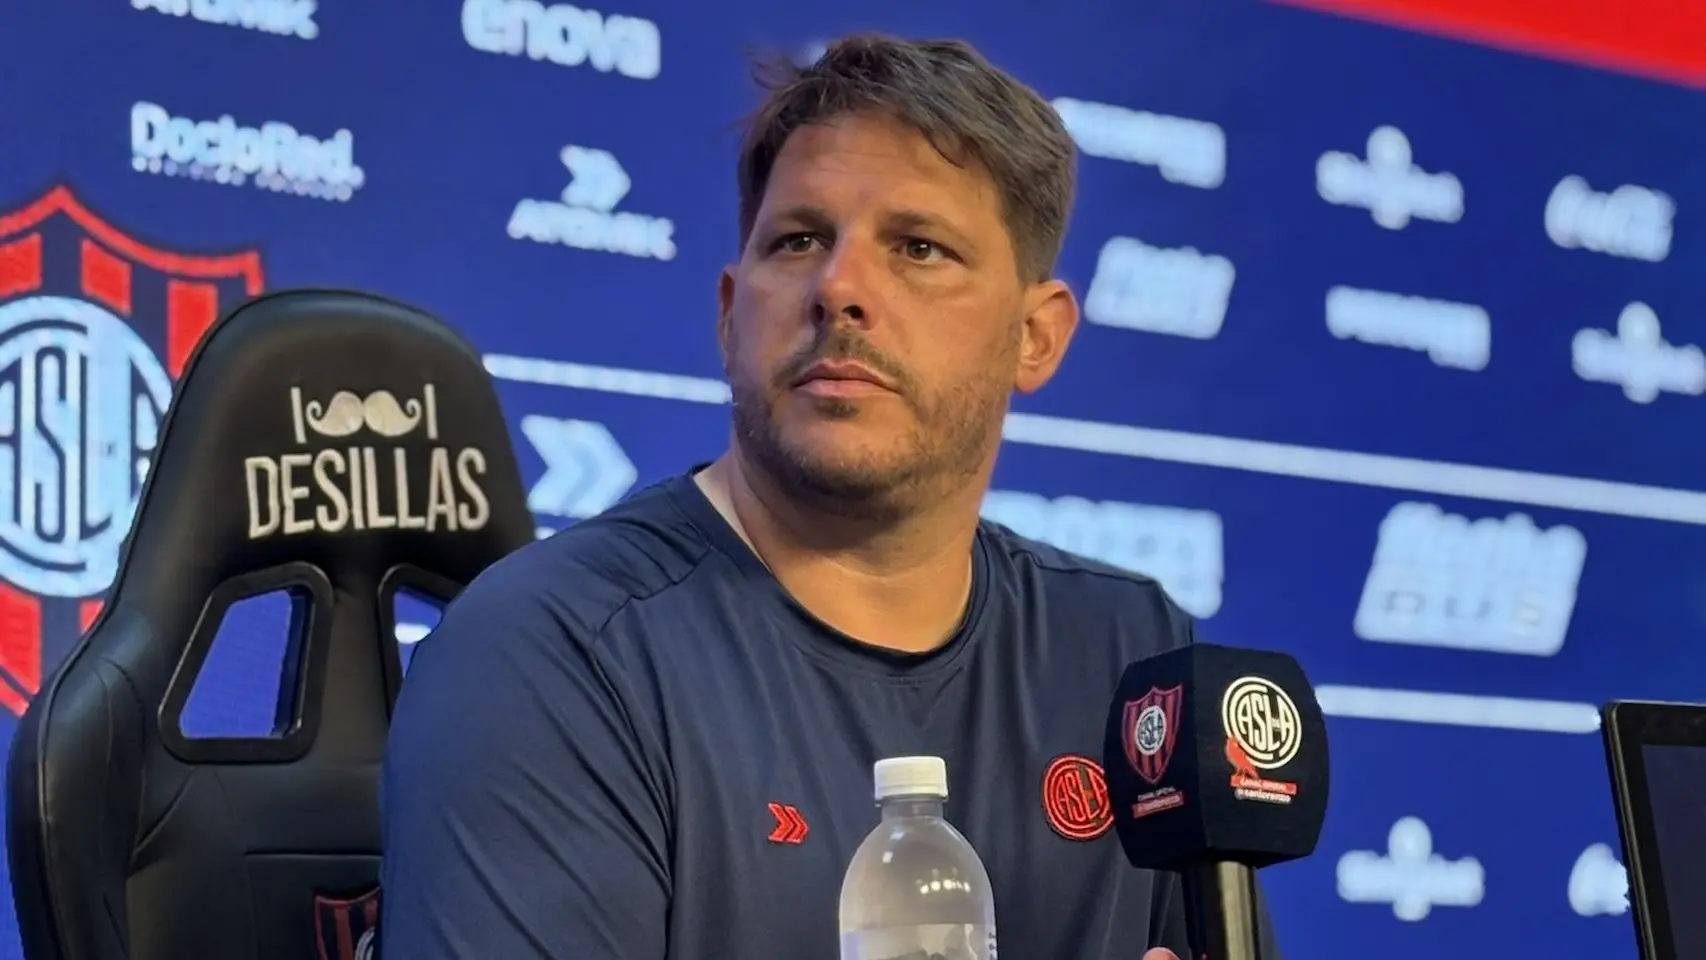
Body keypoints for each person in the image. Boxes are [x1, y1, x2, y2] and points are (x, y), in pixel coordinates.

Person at [379, 32, 1283, 959]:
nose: (839, 286)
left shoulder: (1135, 657)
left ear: (1036, 337)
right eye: (799, 239)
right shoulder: (553, 652)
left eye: (920, 248)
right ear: (732, 314)